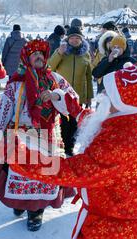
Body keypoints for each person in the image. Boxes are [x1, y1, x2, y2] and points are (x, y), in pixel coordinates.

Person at [6, 61, 137, 239]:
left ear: (120, 101)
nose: (102, 96)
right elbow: (103, 122)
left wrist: (16, 155)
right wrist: (74, 109)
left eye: (108, 93)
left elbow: (69, 171)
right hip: (120, 224)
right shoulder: (135, 118)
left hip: (111, 233)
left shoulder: (124, 141)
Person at [0, 39, 80, 232]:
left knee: (43, 176)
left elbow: (74, 102)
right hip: (21, 137)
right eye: (33, 54)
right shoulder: (16, 84)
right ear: (26, 58)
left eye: (40, 54)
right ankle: (20, 203)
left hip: (48, 137)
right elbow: (4, 109)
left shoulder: (55, 80)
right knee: (21, 173)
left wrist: (56, 96)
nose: (38, 56)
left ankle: (36, 211)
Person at [49, 26, 93, 156]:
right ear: (68, 39)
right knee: (62, 124)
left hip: (77, 97)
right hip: (61, 96)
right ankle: (60, 148)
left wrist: (89, 96)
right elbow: (49, 68)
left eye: (77, 38)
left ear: (81, 40)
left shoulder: (85, 55)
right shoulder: (61, 52)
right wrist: (59, 53)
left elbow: (88, 77)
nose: (74, 40)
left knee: (74, 125)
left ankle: (70, 149)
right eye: (72, 37)